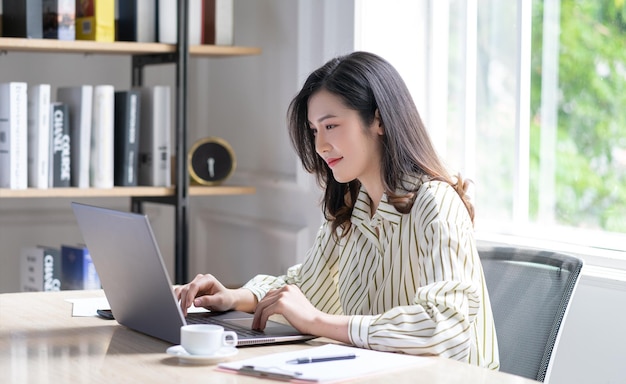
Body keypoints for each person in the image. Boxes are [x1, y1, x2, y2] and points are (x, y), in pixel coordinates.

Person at [176, 51, 500, 369]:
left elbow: (444, 327)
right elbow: (305, 287)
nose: (319, 146)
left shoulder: (435, 203)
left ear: (379, 120)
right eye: (315, 130)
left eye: (330, 126)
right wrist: (234, 298)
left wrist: (318, 322)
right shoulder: (349, 210)